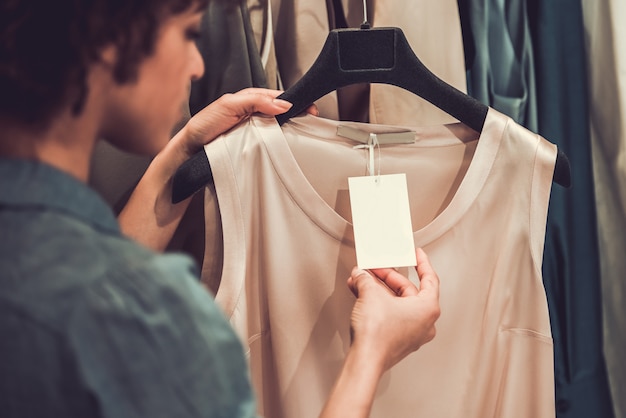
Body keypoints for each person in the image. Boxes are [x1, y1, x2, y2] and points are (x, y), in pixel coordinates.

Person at [0, 0, 441, 417]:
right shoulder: (144, 313)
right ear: (111, 37)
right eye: (189, 32)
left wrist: (185, 148)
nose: (197, 65)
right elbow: (104, 298)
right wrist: (372, 353)